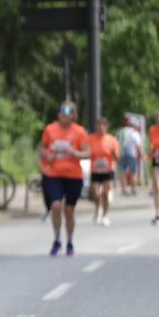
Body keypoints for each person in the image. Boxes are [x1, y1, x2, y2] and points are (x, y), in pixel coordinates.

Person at [37, 101, 89, 256]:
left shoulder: (79, 132)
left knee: (69, 210)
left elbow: (88, 152)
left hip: (74, 176)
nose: (64, 115)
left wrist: (75, 153)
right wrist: (47, 155)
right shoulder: (50, 129)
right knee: (56, 206)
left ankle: (70, 241)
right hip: (54, 174)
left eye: (68, 112)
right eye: (61, 112)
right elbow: (41, 147)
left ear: (73, 115)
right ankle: (57, 238)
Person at [87, 117, 119, 226]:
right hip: (95, 169)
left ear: (106, 127)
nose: (100, 128)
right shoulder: (90, 139)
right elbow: (86, 152)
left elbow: (118, 159)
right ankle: (97, 207)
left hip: (107, 170)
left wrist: (113, 152)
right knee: (95, 193)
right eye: (98, 125)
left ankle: (105, 215)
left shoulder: (112, 139)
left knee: (105, 193)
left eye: (102, 125)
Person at [117, 116, 143, 196]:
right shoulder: (134, 133)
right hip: (131, 154)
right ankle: (133, 189)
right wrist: (141, 155)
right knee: (133, 172)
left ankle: (123, 189)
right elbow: (138, 145)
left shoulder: (120, 131)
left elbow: (116, 142)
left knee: (122, 172)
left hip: (121, 154)